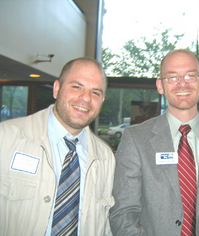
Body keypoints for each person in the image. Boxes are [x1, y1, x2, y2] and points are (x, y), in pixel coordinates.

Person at [110, 49, 199, 235]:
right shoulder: (136, 140)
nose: (182, 84)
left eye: (190, 76)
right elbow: (123, 214)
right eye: (172, 77)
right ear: (160, 86)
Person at [0, 57, 116, 235]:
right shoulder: (6, 138)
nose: (85, 98)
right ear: (57, 89)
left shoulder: (106, 158)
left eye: (95, 92)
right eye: (77, 87)